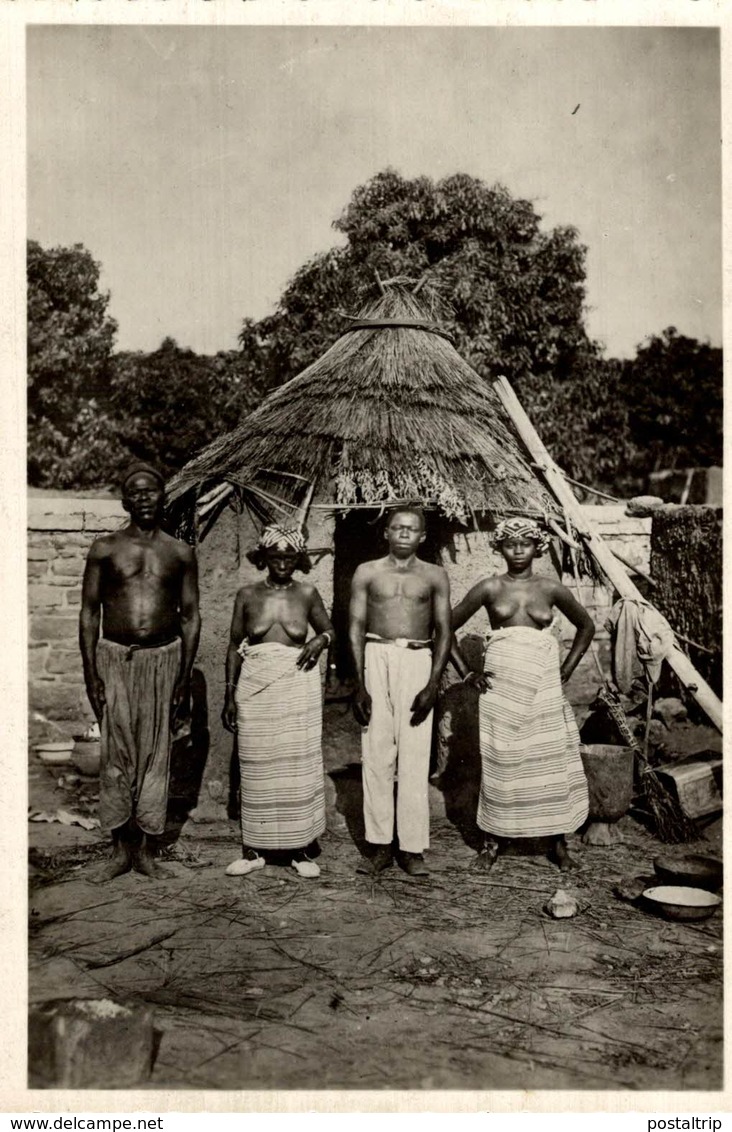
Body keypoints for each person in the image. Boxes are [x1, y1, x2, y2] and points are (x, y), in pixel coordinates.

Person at [450, 516, 594, 872]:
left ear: (537, 547)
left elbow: (586, 626)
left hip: (542, 683)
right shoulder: (488, 588)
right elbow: (445, 627)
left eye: (525, 543)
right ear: (499, 548)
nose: (517, 550)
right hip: (502, 688)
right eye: (510, 543)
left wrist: (567, 669)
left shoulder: (551, 588)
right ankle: (492, 842)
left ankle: (557, 845)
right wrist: (468, 673)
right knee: (503, 761)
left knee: (547, 762)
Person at [79, 462, 201, 881]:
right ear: (126, 501)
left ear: (163, 497)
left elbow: (190, 617)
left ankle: (147, 850)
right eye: (137, 491)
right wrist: (91, 672)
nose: (146, 497)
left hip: (162, 660)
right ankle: (118, 850)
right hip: (115, 659)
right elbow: (87, 613)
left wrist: (183, 675)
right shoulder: (105, 548)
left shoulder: (180, 552)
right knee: (117, 755)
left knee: (155, 755)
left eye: (153, 491)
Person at [222, 525, 334, 879]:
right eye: (276, 555)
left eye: (290, 555)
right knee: (257, 765)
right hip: (256, 687)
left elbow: (330, 630)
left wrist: (320, 641)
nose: (283, 562)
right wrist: (229, 693)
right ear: (265, 557)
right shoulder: (247, 594)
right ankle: (254, 849)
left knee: (295, 766)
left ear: (298, 558)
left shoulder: (307, 593)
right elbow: (234, 645)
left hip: (296, 686)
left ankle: (300, 850)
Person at [349, 507, 451, 877]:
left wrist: (433, 683)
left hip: (417, 659)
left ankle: (411, 848)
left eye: (413, 529)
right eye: (398, 528)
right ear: (386, 533)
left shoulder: (434, 575)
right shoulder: (368, 572)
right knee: (376, 752)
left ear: (423, 536)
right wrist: (359, 683)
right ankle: (378, 846)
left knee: (414, 754)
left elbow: (444, 629)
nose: (405, 533)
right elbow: (356, 624)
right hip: (376, 655)